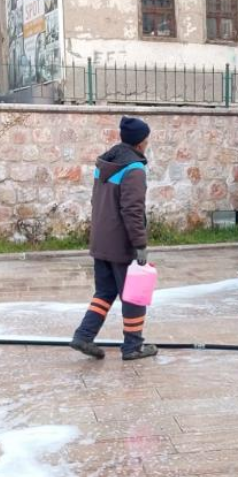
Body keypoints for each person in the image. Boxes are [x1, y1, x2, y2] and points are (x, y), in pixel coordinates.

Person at [69, 116, 158, 361]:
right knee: (134, 294)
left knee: (105, 291)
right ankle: (133, 347)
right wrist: (139, 244)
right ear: (141, 142)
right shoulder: (134, 169)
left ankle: (84, 336)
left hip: (101, 240)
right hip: (121, 243)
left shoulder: (106, 163)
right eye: (147, 139)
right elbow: (132, 210)